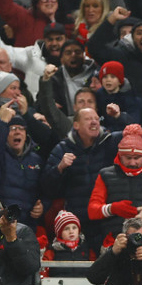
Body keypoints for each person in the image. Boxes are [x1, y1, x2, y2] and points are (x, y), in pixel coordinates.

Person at [43, 108, 123, 252]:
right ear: (76, 125)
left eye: (96, 119)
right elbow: (47, 187)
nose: (94, 122)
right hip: (78, 224)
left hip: (106, 220)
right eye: (88, 119)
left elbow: (136, 133)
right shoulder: (62, 149)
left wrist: (119, 116)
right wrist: (59, 168)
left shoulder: (110, 143)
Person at [95, 61, 142, 131]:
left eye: (112, 77)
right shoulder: (98, 96)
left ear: (120, 81)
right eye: (105, 77)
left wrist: (119, 115)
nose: (108, 80)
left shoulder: (132, 98)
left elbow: (135, 122)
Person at [43, 210, 93, 276]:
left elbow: (96, 269)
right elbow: (43, 270)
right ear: (60, 233)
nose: (71, 231)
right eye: (66, 229)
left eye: (74, 228)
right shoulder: (52, 251)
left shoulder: (87, 248)